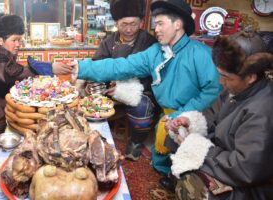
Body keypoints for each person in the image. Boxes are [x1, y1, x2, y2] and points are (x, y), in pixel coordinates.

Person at [69, 0, 222, 190]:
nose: (155, 29)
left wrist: (181, 115)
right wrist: (82, 67)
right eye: (155, 24)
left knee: (188, 163)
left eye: (160, 23)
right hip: (167, 115)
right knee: (162, 159)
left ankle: (182, 176)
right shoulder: (155, 52)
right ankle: (170, 173)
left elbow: (214, 91)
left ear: (178, 24)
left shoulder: (201, 54)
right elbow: (121, 66)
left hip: (195, 116)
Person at [165, 31, 273, 200]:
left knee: (191, 188)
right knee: (174, 137)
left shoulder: (263, 110)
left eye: (226, 77)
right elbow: (211, 114)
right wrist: (189, 123)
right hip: (221, 156)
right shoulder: (236, 88)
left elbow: (244, 169)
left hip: (245, 185)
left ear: (251, 77)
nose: (221, 82)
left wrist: (198, 149)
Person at [0, 14, 73, 153]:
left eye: (20, 40)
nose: (18, 44)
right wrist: (48, 68)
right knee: (5, 107)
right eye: (14, 40)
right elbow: (11, 74)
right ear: (0, 40)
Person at [88, 0, 158, 161]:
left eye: (133, 24)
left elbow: (153, 74)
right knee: (89, 98)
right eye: (124, 24)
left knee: (142, 107)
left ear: (141, 22)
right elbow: (98, 64)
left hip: (141, 89)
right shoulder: (109, 41)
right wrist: (106, 84)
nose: (128, 29)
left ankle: (136, 141)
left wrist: (126, 88)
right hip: (111, 88)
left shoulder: (149, 42)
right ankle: (95, 138)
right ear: (116, 23)